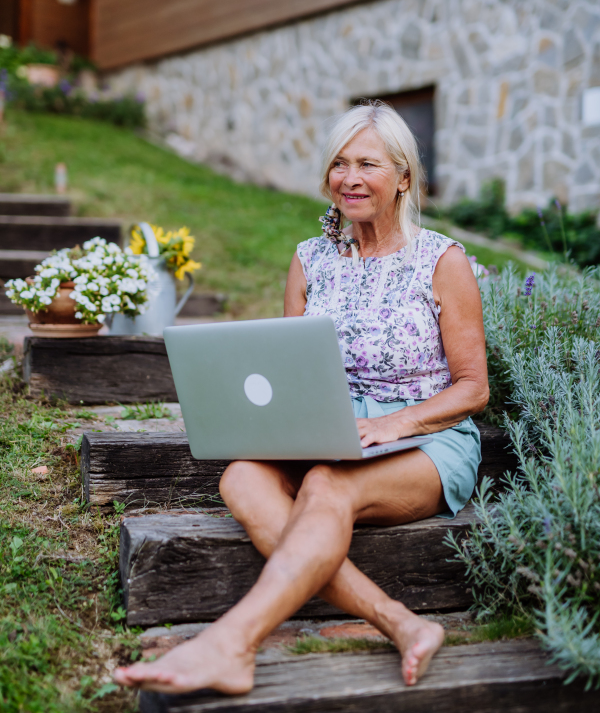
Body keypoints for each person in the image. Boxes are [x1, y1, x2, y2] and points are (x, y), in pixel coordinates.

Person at [114, 100, 489, 695]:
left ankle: (230, 643)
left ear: (405, 179)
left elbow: (474, 388)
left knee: (325, 487)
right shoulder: (309, 258)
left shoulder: (441, 261)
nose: (350, 178)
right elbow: (286, 364)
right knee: (240, 478)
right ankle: (400, 620)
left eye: (369, 163)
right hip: (332, 428)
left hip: (427, 438)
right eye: (340, 164)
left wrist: (399, 423)